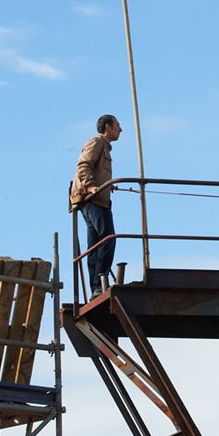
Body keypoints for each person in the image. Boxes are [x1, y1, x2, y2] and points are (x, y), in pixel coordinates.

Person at [71, 114, 122, 298]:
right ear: (108, 127)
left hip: (94, 199)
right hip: (94, 199)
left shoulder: (104, 147)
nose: (120, 129)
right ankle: (100, 283)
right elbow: (84, 166)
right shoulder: (97, 142)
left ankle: (96, 287)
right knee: (108, 238)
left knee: (94, 245)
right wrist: (92, 186)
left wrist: (107, 185)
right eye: (118, 125)